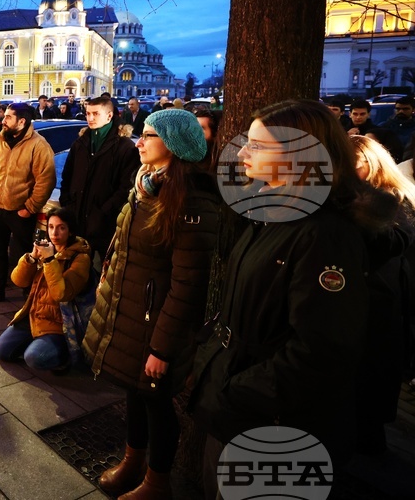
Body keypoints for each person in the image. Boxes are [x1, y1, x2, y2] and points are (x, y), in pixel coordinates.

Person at [188, 99, 393, 498]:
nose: (243, 153)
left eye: (258, 146)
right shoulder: (273, 210)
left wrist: (235, 390)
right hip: (242, 412)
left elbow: (322, 351)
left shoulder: (323, 233)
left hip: (277, 428)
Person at [84, 108, 219, 499]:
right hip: (131, 312)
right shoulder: (146, 185)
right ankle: (133, 462)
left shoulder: (191, 201)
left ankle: (157, 484)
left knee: (157, 404)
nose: (139, 142)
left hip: (157, 322)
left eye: (148, 136)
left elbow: (188, 285)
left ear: (173, 146)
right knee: (134, 392)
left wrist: (162, 347)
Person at [351, 135, 415, 455]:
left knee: (372, 387)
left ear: (372, 163)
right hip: (352, 302)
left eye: (353, 166)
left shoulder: (396, 196)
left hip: (380, 304)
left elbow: (392, 243)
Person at [0, 102, 56, 303]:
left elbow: (45, 181)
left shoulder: (39, 145)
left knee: (25, 255)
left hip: (21, 211)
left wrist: (29, 208)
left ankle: (27, 295)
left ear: (22, 122)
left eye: (8, 117)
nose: (3, 120)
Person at [0, 208, 92, 371]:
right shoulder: (48, 248)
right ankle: (38, 343)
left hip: (58, 324)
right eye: (51, 227)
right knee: (1, 351)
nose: (55, 233)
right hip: (34, 316)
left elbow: (61, 293)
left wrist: (49, 260)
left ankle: (65, 354)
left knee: (33, 358)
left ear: (70, 231)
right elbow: (18, 280)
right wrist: (31, 258)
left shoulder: (80, 258)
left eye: (61, 227)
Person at [60, 95, 141, 260]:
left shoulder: (124, 147)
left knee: (101, 275)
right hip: (77, 220)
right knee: (75, 273)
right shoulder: (81, 143)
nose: (90, 118)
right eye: (88, 113)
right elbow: (67, 176)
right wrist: (68, 204)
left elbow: (126, 188)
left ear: (109, 116)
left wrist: (103, 212)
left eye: (95, 114)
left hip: (104, 226)